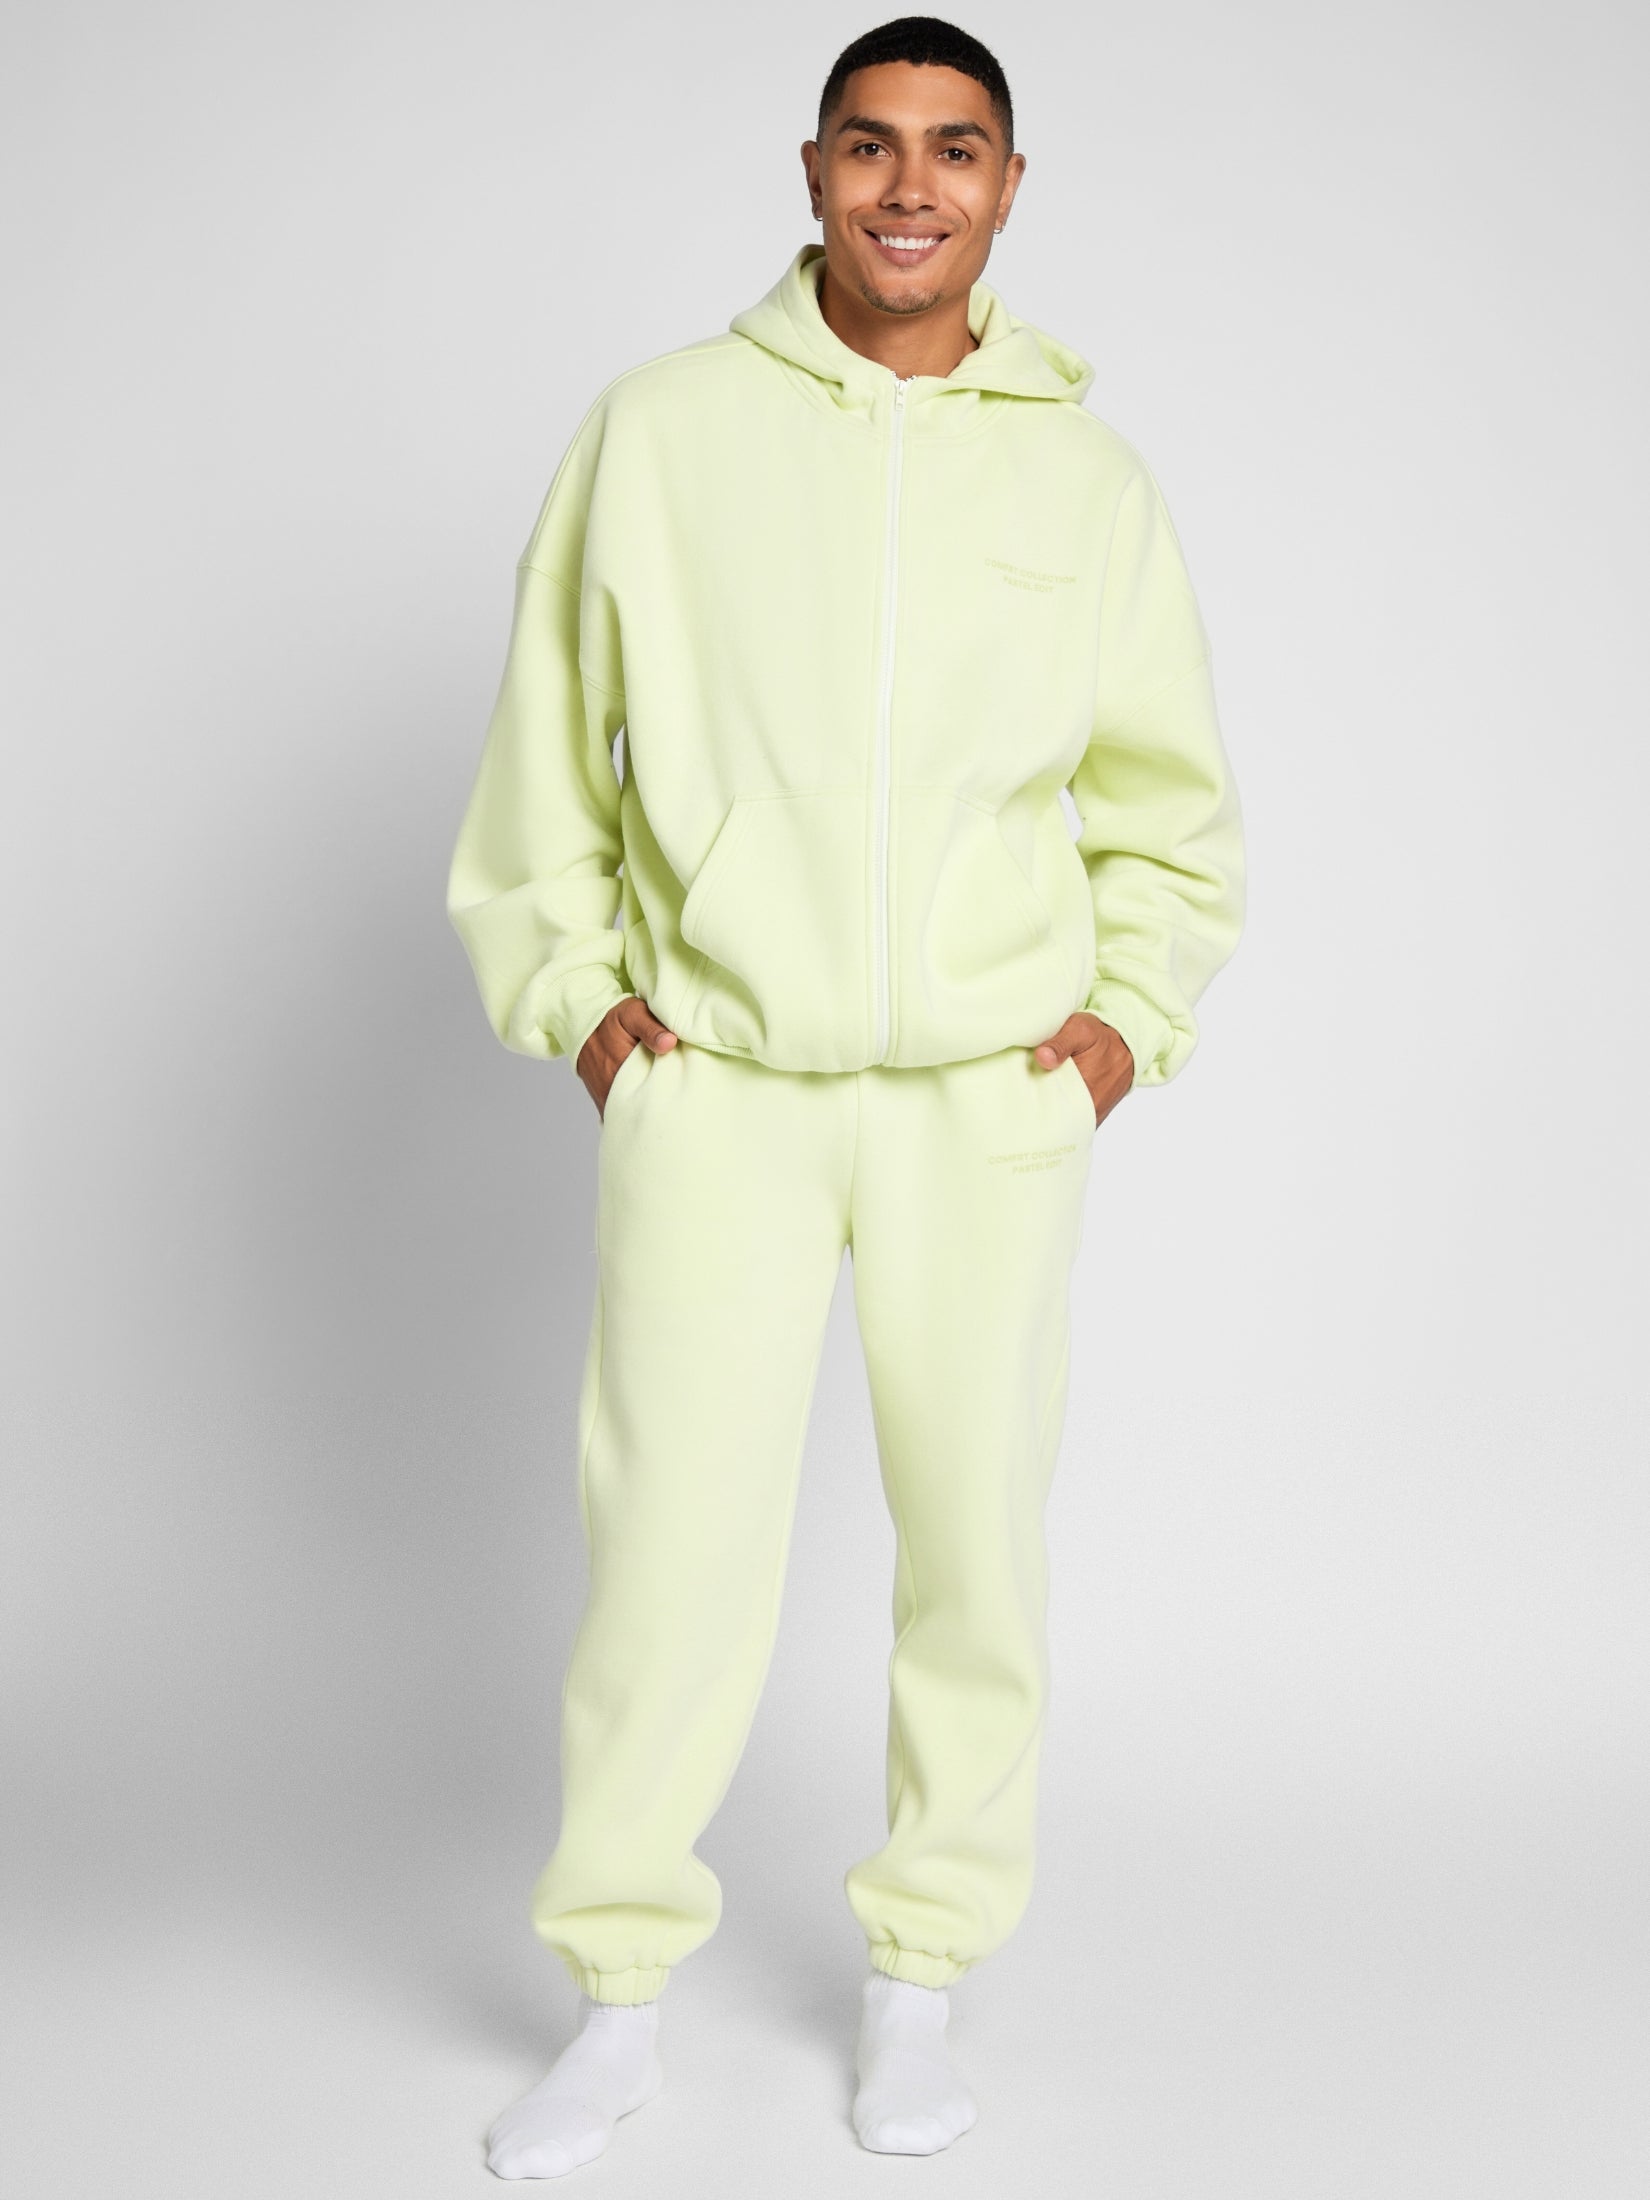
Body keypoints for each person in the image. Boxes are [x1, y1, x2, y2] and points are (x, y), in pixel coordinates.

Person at [446, 14, 1244, 2178]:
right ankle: (618, 2001)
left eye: (953, 150)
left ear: (1007, 186)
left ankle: (918, 1977)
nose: (910, 185)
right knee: (669, 1551)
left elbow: (1168, 808)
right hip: (722, 1082)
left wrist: (1120, 1024)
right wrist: (585, 1006)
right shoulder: (661, 431)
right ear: (810, 172)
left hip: (987, 1097)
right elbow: (547, 754)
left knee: (973, 1545)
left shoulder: (1086, 480)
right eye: (872, 145)